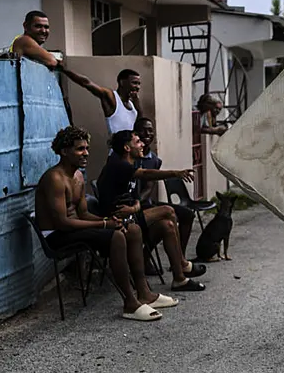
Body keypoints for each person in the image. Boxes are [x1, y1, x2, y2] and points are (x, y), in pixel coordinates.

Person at [34, 126, 179, 322]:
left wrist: (109, 221)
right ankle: (130, 302)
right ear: (64, 151)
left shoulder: (77, 176)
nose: (85, 153)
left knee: (132, 229)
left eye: (86, 148)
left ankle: (145, 293)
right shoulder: (55, 179)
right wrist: (104, 225)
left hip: (73, 226)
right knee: (116, 236)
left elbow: (84, 213)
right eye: (79, 149)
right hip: (57, 235)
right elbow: (62, 223)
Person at [97, 130, 206, 292]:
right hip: (118, 223)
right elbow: (147, 174)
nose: (142, 145)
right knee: (168, 210)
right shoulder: (119, 165)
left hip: (130, 216)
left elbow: (135, 200)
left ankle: (179, 279)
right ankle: (182, 264)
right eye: (138, 142)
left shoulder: (127, 166)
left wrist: (134, 207)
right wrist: (176, 173)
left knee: (167, 225)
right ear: (127, 147)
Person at [133, 117, 195, 255]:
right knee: (164, 221)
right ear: (135, 133)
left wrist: (138, 201)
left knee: (187, 215)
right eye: (143, 131)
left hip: (144, 203)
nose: (148, 134)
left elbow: (149, 188)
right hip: (132, 206)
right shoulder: (130, 156)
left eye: (150, 130)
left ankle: (180, 256)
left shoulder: (154, 159)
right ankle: (146, 258)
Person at [61, 68, 142, 138]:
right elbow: (86, 83)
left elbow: (139, 126)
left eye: (139, 84)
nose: (138, 87)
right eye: (134, 83)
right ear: (122, 82)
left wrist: (138, 106)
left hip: (130, 152)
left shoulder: (133, 104)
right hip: (118, 153)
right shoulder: (112, 97)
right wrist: (63, 69)